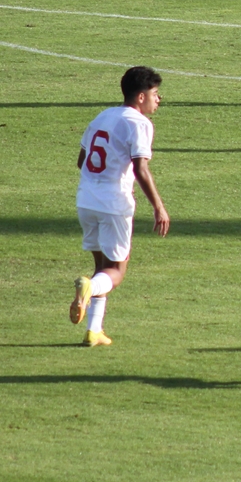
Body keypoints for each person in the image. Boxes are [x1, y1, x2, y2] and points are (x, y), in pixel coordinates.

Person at [70, 67, 170, 347]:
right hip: (114, 203)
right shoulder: (139, 123)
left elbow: (82, 160)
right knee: (116, 272)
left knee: (102, 267)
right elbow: (141, 168)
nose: (158, 99)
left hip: (85, 199)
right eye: (154, 94)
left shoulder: (102, 116)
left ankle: (94, 331)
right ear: (140, 97)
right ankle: (89, 289)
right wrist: (158, 207)